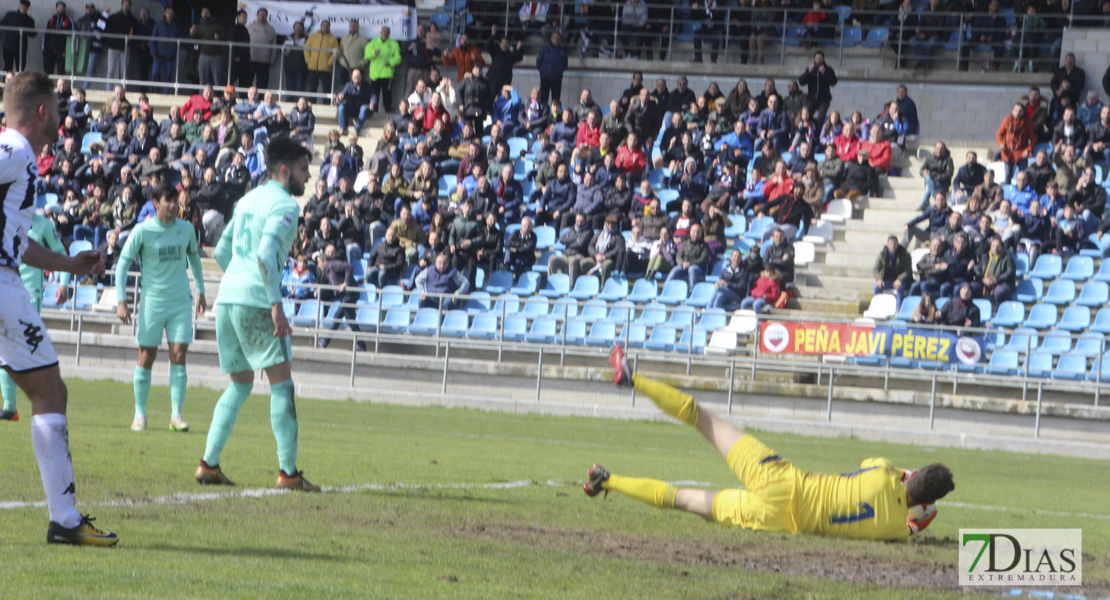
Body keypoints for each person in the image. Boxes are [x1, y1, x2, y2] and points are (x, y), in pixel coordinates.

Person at [590, 346, 954, 540]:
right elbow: (913, 524)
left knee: (702, 418)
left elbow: (878, 466)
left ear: (914, 474)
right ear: (928, 501)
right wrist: (919, 511)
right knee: (682, 499)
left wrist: (907, 476)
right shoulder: (894, 530)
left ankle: (632, 380)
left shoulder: (884, 472)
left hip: (781, 479)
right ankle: (605, 480)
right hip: (777, 520)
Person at [0, 71, 119, 545]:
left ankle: (65, 521)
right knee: (49, 393)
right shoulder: (14, 149)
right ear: (43, 111)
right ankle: (65, 522)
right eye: (59, 111)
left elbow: (16, 244)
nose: (63, 123)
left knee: (48, 391)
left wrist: (70, 263)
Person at [197, 137, 319, 492]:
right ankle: (288, 472)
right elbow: (266, 256)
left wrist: (238, 279)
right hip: (256, 300)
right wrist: (275, 305)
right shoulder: (285, 206)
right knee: (282, 384)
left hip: (229, 296)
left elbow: (221, 249)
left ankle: (209, 463)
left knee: (239, 385)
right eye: (302, 168)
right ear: (285, 170)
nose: (307, 176)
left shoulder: (247, 199)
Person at [113, 184, 206, 432]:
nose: (174, 205)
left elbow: (194, 259)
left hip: (179, 301)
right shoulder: (143, 231)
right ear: (156, 202)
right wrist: (121, 300)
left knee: (179, 354)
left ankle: (176, 415)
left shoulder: (186, 229)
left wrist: (201, 291)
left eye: (176, 201)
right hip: (152, 302)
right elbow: (122, 265)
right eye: (168, 201)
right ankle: (139, 415)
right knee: (146, 355)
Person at [0, 211, 72, 421]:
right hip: (6, 290)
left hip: (30, 294)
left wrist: (63, 284)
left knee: (16, 349)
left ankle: (39, 403)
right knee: (4, 349)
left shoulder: (43, 225)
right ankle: (10, 408)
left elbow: (60, 251)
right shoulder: (8, 220)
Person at [365, 26, 401, 117]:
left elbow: (398, 58)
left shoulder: (394, 44)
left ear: (389, 33)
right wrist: (373, 53)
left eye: (387, 32)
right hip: (375, 74)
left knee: (387, 94)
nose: (385, 33)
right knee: (374, 94)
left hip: (387, 74)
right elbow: (366, 55)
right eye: (383, 31)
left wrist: (390, 62)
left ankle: (388, 112)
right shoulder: (373, 42)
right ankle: (374, 112)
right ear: (381, 32)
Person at [996, 103, 1036, 184]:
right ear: (1012, 111)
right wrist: (1000, 144)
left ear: (1023, 112)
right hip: (1007, 152)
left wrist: (1028, 150)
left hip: (1021, 153)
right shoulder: (1006, 121)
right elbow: (999, 134)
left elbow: (1034, 138)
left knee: (1023, 175)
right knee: (1007, 175)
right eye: (1016, 110)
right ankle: (1006, 194)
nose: (1018, 112)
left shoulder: (1028, 123)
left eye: (1020, 111)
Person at [664, 223, 710, 288]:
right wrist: (682, 263)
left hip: (698, 267)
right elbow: (678, 256)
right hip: (684, 266)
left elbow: (702, 259)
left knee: (692, 269)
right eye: (694, 232)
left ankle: (692, 292)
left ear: (701, 233)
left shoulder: (705, 246)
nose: (696, 234)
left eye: (698, 232)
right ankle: (665, 288)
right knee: (676, 269)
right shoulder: (685, 243)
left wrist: (689, 264)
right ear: (690, 232)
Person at [797, 50, 836, 126]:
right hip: (812, 99)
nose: (818, 60)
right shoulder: (811, 69)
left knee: (820, 118)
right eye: (817, 58)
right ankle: (807, 131)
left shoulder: (828, 69)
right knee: (806, 115)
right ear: (814, 59)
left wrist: (825, 73)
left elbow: (833, 82)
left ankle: (818, 135)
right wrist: (808, 72)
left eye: (820, 58)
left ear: (823, 59)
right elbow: (801, 81)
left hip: (824, 99)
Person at [873, 235, 912, 309]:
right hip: (887, 280)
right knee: (876, 286)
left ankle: (898, 308)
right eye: (891, 243)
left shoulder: (904, 254)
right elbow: (875, 269)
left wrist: (899, 279)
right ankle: (877, 307)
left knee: (899, 287)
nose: (893, 245)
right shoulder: (882, 255)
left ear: (898, 244)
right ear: (887, 244)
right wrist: (878, 279)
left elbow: (908, 271)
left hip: (901, 281)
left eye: (895, 243)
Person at [305, 20, 339, 96]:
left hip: (325, 69)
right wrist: (309, 61)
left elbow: (336, 53)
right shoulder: (313, 36)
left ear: (329, 27)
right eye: (324, 26)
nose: (325, 27)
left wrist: (329, 63)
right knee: (312, 88)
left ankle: (326, 105)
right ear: (321, 27)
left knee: (326, 89)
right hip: (312, 67)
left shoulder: (333, 39)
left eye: (327, 26)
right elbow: (306, 48)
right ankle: (311, 103)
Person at [1, 0, 37, 73]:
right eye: (22, 5)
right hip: (9, 46)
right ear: (19, 5)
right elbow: (2, 25)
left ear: (28, 7)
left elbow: (33, 34)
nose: (24, 7)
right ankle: (5, 83)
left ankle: (19, 84)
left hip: (21, 47)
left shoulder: (30, 20)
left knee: (20, 69)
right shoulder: (10, 15)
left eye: (26, 6)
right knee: (8, 67)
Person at [247, 8, 278, 90]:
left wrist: (272, 60)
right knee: (247, 82)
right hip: (250, 60)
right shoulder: (250, 27)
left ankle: (261, 100)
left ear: (267, 16)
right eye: (261, 14)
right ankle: (245, 99)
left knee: (262, 84)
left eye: (264, 14)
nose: (262, 16)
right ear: (257, 15)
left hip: (264, 61)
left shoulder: (271, 29)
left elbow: (274, 45)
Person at [536, 31, 568, 104]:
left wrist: (559, 72)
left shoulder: (563, 51)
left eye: (558, 38)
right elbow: (538, 63)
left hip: (557, 79)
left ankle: (555, 114)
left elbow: (565, 65)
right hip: (545, 78)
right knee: (543, 98)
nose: (556, 39)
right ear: (551, 39)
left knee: (556, 99)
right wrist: (544, 72)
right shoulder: (544, 49)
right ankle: (544, 114)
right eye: (554, 38)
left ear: (560, 40)